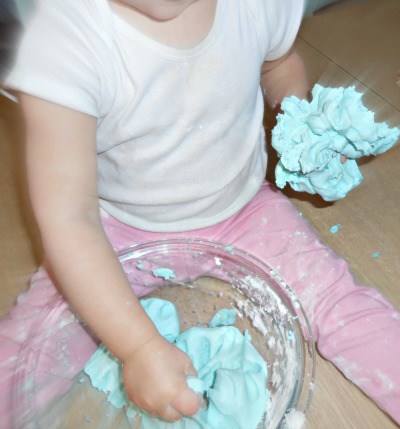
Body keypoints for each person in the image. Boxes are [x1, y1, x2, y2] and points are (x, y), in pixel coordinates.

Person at [1, 0, 399, 427]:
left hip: (244, 208)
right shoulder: (63, 40)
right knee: (26, 353)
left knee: (341, 305)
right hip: (111, 230)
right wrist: (137, 346)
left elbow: (278, 63)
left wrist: (301, 124)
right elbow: (69, 218)